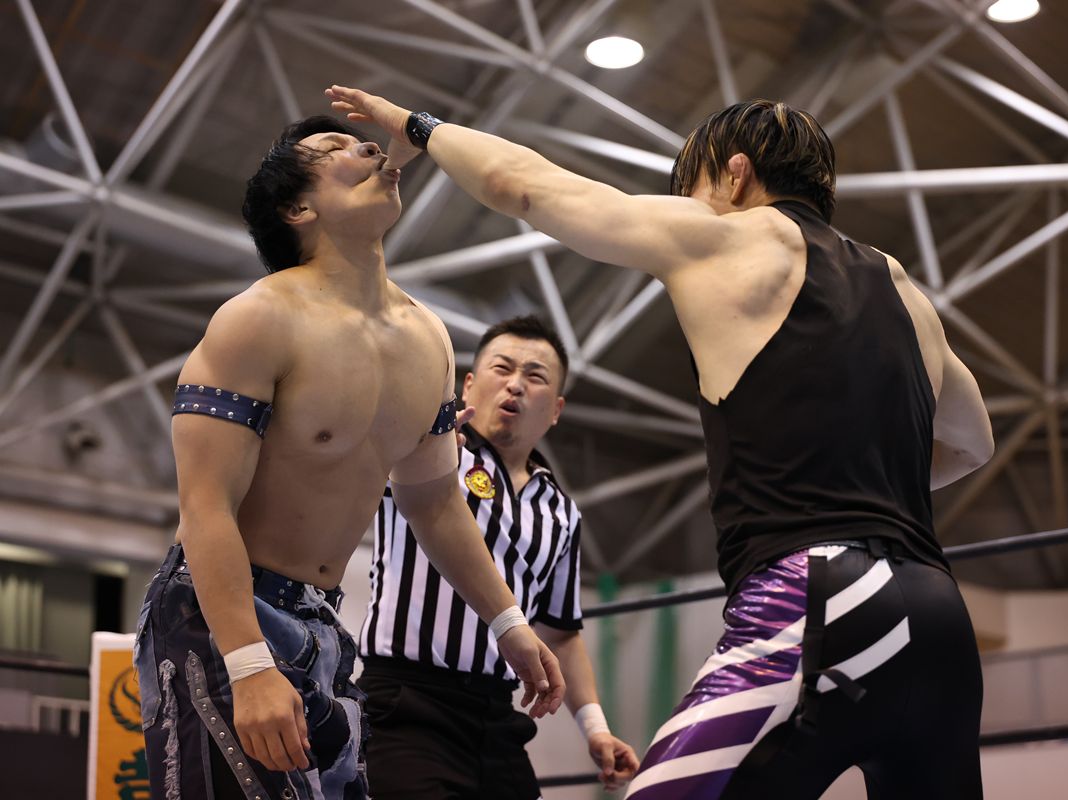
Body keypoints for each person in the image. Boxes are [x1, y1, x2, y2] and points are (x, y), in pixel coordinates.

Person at [326, 87, 996, 799]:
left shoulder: (730, 235)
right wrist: (859, 477)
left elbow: (520, 184)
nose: (692, 206)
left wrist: (419, 126)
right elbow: (972, 442)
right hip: (940, 616)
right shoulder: (903, 289)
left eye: (695, 189)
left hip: (822, 598)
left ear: (735, 175)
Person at [132, 115, 564, 800]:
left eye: (364, 141)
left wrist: (507, 621)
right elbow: (205, 505)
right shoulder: (257, 318)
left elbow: (435, 501)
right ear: (297, 208)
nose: (368, 147)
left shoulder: (429, 340)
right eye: (336, 149)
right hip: (218, 616)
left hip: (323, 624)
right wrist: (247, 664)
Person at [358, 314, 640, 798]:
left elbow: (560, 632)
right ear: (468, 385)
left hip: (497, 716)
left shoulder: (561, 511)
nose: (515, 385)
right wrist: (418, 441)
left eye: (535, 376)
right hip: (407, 704)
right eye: (502, 368)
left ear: (556, 409)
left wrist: (595, 728)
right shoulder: (431, 452)